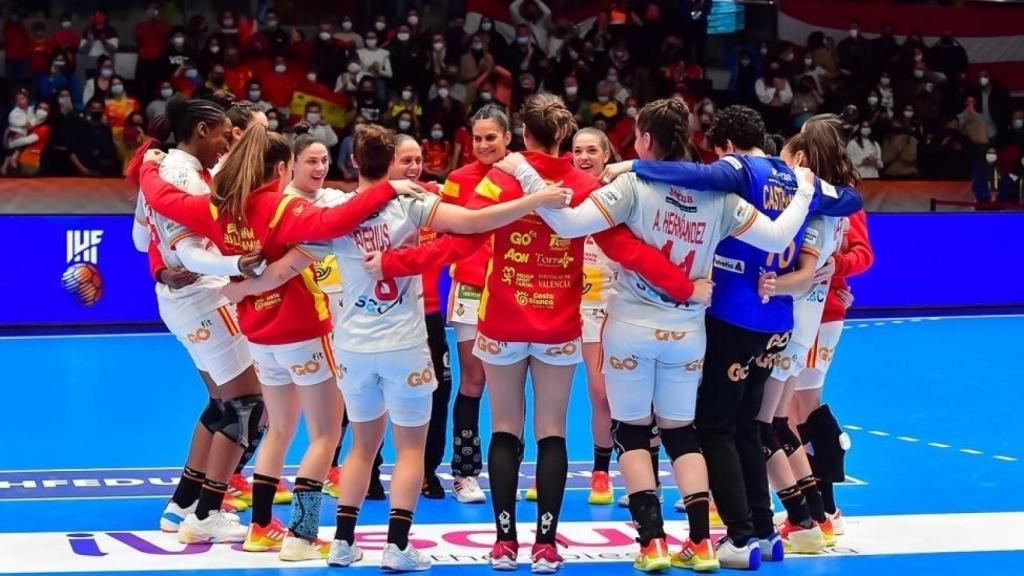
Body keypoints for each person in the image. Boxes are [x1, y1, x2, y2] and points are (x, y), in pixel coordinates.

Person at [369, 94, 695, 572]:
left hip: (501, 319)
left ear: (523, 134)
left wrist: (394, 264)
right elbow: (626, 248)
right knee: (551, 432)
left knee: (504, 428)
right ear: (565, 136)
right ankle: (546, 546)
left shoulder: (499, 180)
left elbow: (459, 243)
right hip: (559, 324)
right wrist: (685, 286)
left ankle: (504, 543)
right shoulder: (583, 185)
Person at [220, 124, 569, 570]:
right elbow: (476, 223)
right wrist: (537, 199)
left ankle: (341, 541)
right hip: (404, 345)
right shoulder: (410, 204)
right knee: (408, 449)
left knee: (359, 446)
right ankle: (397, 546)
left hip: (352, 348)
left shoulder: (334, 212)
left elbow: (279, 271)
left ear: (351, 163)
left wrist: (235, 288)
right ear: (392, 165)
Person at [495, 98, 821, 572]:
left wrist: (526, 173)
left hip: (631, 327)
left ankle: (651, 543)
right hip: (688, 331)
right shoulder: (720, 198)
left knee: (630, 432)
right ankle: (702, 543)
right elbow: (775, 237)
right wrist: (806, 194)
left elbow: (566, 224)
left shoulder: (632, 185)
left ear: (645, 140)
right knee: (680, 432)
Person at [137, 123, 415, 561]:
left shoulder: (218, 208)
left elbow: (162, 199)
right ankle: (302, 536)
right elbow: (338, 219)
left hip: (259, 333)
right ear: (282, 167)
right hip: (302, 328)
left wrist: (148, 164)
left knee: (279, 429)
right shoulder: (282, 208)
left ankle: (261, 528)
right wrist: (391, 188)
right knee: (325, 434)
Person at [601, 107, 862, 567]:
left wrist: (633, 165)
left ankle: (738, 539)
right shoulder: (794, 176)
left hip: (735, 315)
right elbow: (849, 201)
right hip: (778, 321)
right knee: (750, 426)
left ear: (725, 146)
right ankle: (763, 532)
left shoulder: (741, 170)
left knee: (714, 428)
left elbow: (694, 175)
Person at [128, 96, 262, 543]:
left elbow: (138, 236)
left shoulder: (165, 168)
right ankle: (207, 512)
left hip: (179, 297)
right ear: (202, 130)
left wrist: (164, 267)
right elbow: (189, 248)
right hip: (203, 298)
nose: (227, 141)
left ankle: (184, 502)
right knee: (248, 405)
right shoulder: (184, 176)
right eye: (223, 132)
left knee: (223, 403)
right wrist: (240, 264)